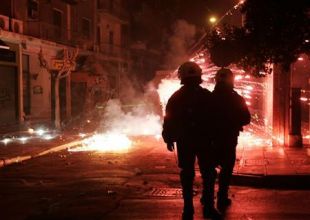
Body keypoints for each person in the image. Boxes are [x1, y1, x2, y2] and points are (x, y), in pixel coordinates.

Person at [162, 61, 221, 219]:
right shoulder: (207, 96)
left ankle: (188, 209)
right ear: (199, 77)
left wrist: (168, 138)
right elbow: (216, 119)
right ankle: (208, 207)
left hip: (185, 141)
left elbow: (169, 119)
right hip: (205, 141)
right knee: (208, 173)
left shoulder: (176, 97)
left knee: (187, 174)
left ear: (181, 77)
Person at [211, 68, 251, 211]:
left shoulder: (208, 98)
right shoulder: (237, 98)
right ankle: (222, 197)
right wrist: (235, 122)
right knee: (226, 169)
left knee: (209, 169)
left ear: (216, 80)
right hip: (229, 139)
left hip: (211, 140)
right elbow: (246, 118)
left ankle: (207, 198)